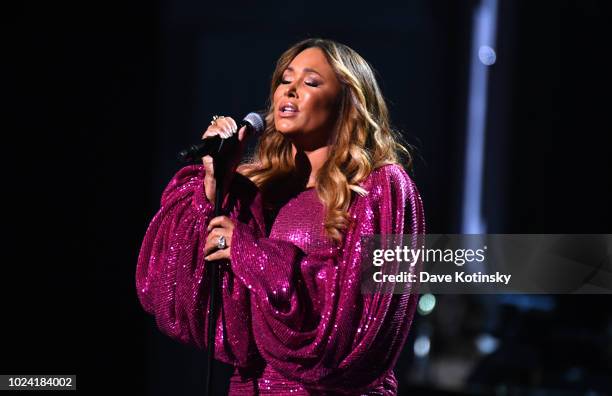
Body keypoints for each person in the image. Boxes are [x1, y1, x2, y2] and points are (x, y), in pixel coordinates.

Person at [136, 38, 426, 395]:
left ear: (348, 103)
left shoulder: (382, 187)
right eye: (285, 80)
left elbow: (363, 322)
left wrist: (250, 251)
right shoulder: (257, 192)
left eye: (311, 82)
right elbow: (178, 295)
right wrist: (216, 184)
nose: (290, 89)